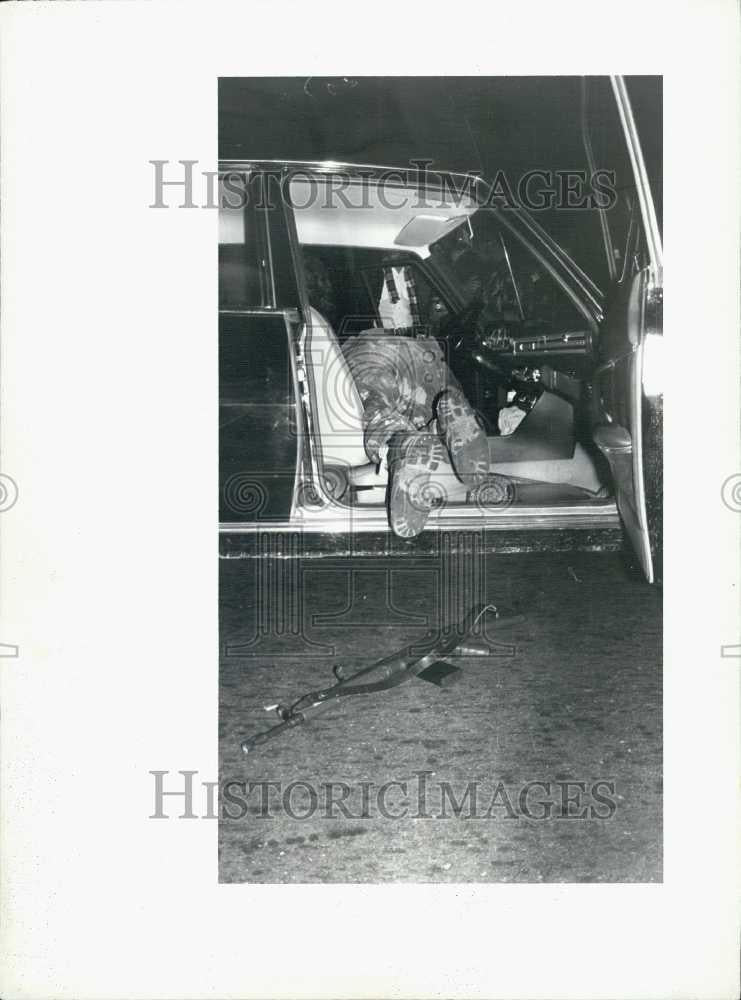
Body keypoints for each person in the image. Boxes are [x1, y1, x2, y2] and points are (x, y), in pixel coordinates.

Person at [303, 253, 489, 537]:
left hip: (402, 350)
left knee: (377, 407)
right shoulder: (358, 252)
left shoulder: (417, 257)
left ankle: (403, 442)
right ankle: (439, 425)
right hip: (399, 351)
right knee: (413, 403)